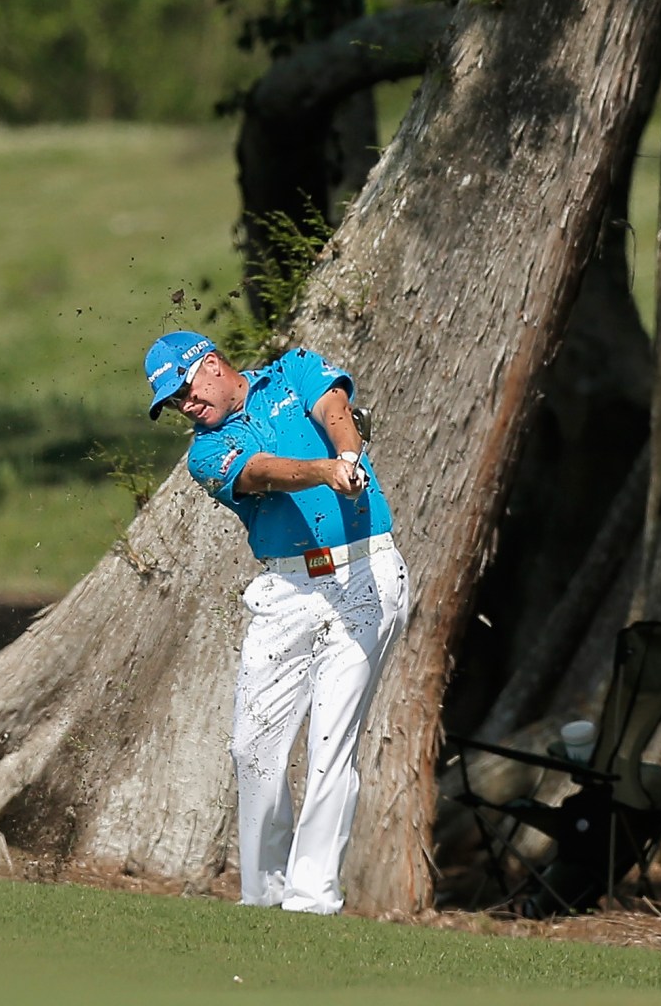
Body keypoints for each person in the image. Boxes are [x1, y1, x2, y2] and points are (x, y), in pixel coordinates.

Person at [143, 329, 407, 915]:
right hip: (285, 589)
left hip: (364, 575)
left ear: (212, 365)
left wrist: (348, 455)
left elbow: (333, 407)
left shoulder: (293, 370)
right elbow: (263, 473)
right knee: (251, 746)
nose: (186, 406)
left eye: (185, 390)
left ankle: (312, 902)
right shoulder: (205, 455)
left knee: (329, 742)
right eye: (173, 404)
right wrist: (323, 471)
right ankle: (263, 895)